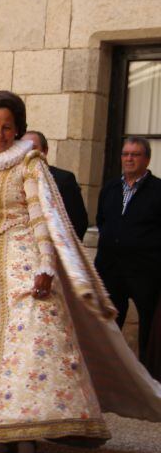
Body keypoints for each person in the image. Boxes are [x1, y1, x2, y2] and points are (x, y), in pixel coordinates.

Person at [0, 91, 161, 453]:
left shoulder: (29, 162)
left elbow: (43, 217)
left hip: (23, 263)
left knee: (25, 351)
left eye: (7, 126)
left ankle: (27, 442)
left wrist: (45, 266)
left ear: (18, 128)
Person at [94, 136, 161, 374]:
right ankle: (107, 373)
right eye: (125, 154)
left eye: (135, 154)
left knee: (148, 327)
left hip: (146, 271)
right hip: (111, 269)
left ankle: (148, 377)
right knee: (108, 325)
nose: (129, 159)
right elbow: (103, 221)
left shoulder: (158, 190)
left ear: (147, 159)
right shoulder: (110, 188)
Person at [23, 131, 88, 240]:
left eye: (33, 148)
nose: (29, 153)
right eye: (24, 149)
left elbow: (78, 223)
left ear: (45, 151)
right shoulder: (16, 181)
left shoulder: (63, 179)